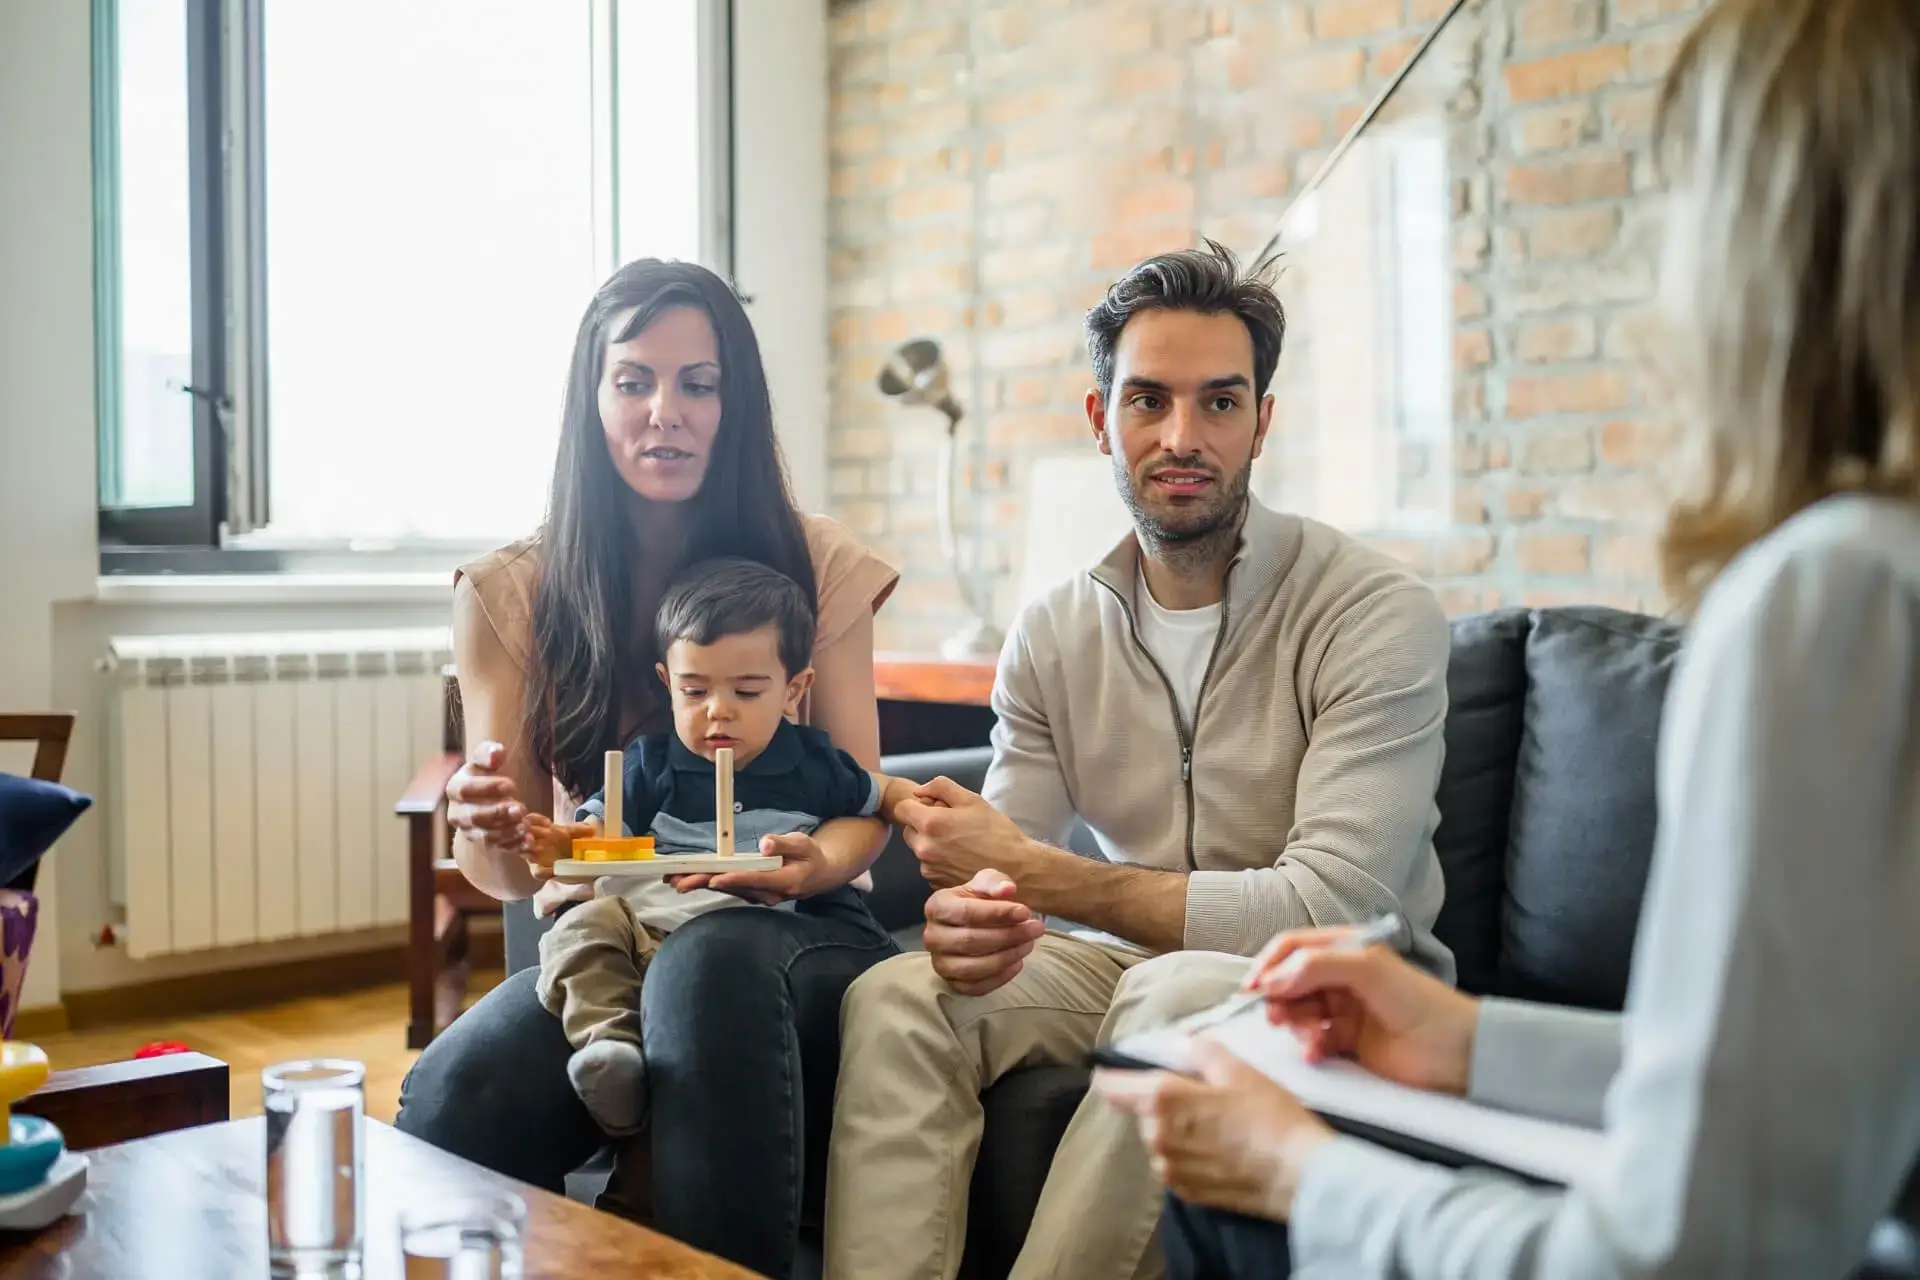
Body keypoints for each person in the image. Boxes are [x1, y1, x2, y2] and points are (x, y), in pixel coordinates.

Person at [1095, 1, 1920, 1274]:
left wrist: (1304, 1174)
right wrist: (1474, 1039)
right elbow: (1818, 1104)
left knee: (1233, 1190)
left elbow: (1702, 1248)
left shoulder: (1838, 595)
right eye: (1148, 402)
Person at [824, 241, 1459, 1280]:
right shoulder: (1052, 629)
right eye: (1148, 399)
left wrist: (1039, 876)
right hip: (1128, 960)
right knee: (899, 994)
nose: (1182, 437)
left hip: (1329, 988)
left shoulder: (1371, 614)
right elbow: (1007, 861)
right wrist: (975, 912)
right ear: (1099, 418)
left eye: (1219, 402)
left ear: (1263, 420)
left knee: (1177, 1004)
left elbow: (1327, 906)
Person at [394, 258, 901, 1278]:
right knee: (455, 1089)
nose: (664, 411)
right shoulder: (511, 592)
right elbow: (515, 875)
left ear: (734, 400)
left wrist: (805, 864)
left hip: (789, 941)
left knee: (709, 968)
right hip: (618, 945)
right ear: (593, 400)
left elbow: (866, 809)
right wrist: (489, 829)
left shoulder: (821, 565)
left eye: (697, 383)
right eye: (634, 380)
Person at [527, 557, 918, 1137]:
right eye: (695, 690)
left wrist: (920, 805)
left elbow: (878, 795)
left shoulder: (811, 762)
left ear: (794, 688)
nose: (718, 710)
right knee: (579, 931)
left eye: (747, 690)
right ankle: (611, 1049)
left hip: (751, 944)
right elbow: (597, 833)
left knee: (703, 994)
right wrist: (569, 844)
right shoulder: (649, 766)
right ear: (668, 684)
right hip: (647, 931)